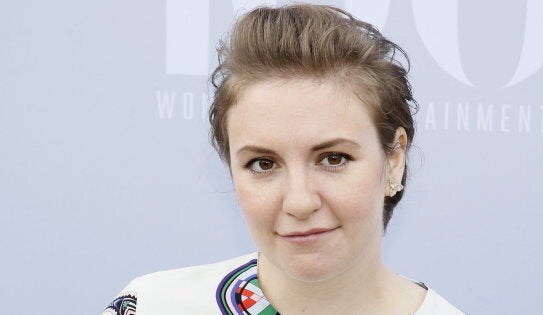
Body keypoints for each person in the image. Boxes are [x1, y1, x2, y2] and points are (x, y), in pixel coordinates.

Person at [103, 4, 464, 315]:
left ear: (395, 158)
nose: (299, 202)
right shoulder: (155, 305)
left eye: (333, 158)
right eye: (263, 164)